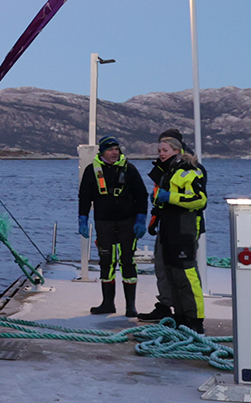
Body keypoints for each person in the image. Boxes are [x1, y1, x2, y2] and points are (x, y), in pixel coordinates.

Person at [142, 129, 208, 332]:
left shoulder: (189, 170)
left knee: (186, 274)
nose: (161, 153)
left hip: (184, 229)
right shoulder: (168, 171)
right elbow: (162, 200)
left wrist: (169, 197)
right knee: (172, 274)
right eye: (159, 150)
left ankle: (195, 319)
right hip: (168, 228)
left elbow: (200, 200)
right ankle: (179, 315)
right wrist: (155, 213)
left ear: (177, 150)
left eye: (165, 150)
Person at [77, 135, 148, 316]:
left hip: (127, 221)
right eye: (110, 149)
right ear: (102, 152)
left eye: (116, 149)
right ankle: (108, 303)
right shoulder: (91, 170)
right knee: (106, 262)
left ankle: (130, 306)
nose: (114, 152)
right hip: (104, 222)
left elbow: (141, 195)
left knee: (127, 261)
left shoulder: (129, 169)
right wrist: (83, 219)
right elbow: (84, 196)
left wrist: (141, 220)